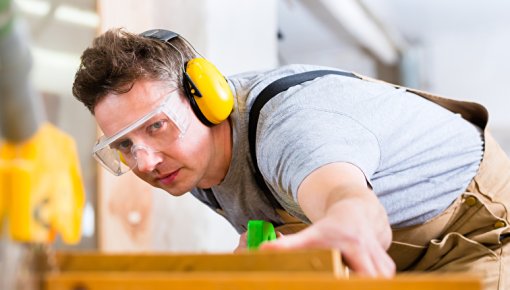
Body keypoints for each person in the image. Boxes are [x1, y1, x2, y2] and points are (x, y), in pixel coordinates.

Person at [72, 28, 510, 289]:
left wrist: (344, 222)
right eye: (125, 145)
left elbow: (351, 207)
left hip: (477, 228)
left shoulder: (291, 128)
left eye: (155, 126)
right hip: (398, 251)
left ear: (204, 97)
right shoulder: (189, 161)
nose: (145, 162)